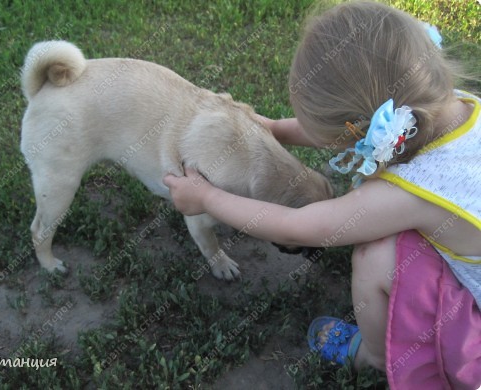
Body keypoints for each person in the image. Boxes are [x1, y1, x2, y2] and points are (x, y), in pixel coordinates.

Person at [163, 1, 481, 388]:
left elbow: (298, 227)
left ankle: (375, 355)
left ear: (361, 134)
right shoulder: (451, 104)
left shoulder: (409, 194)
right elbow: (349, 126)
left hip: (473, 334)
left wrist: (207, 199)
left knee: (374, 255)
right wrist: (272, 128)